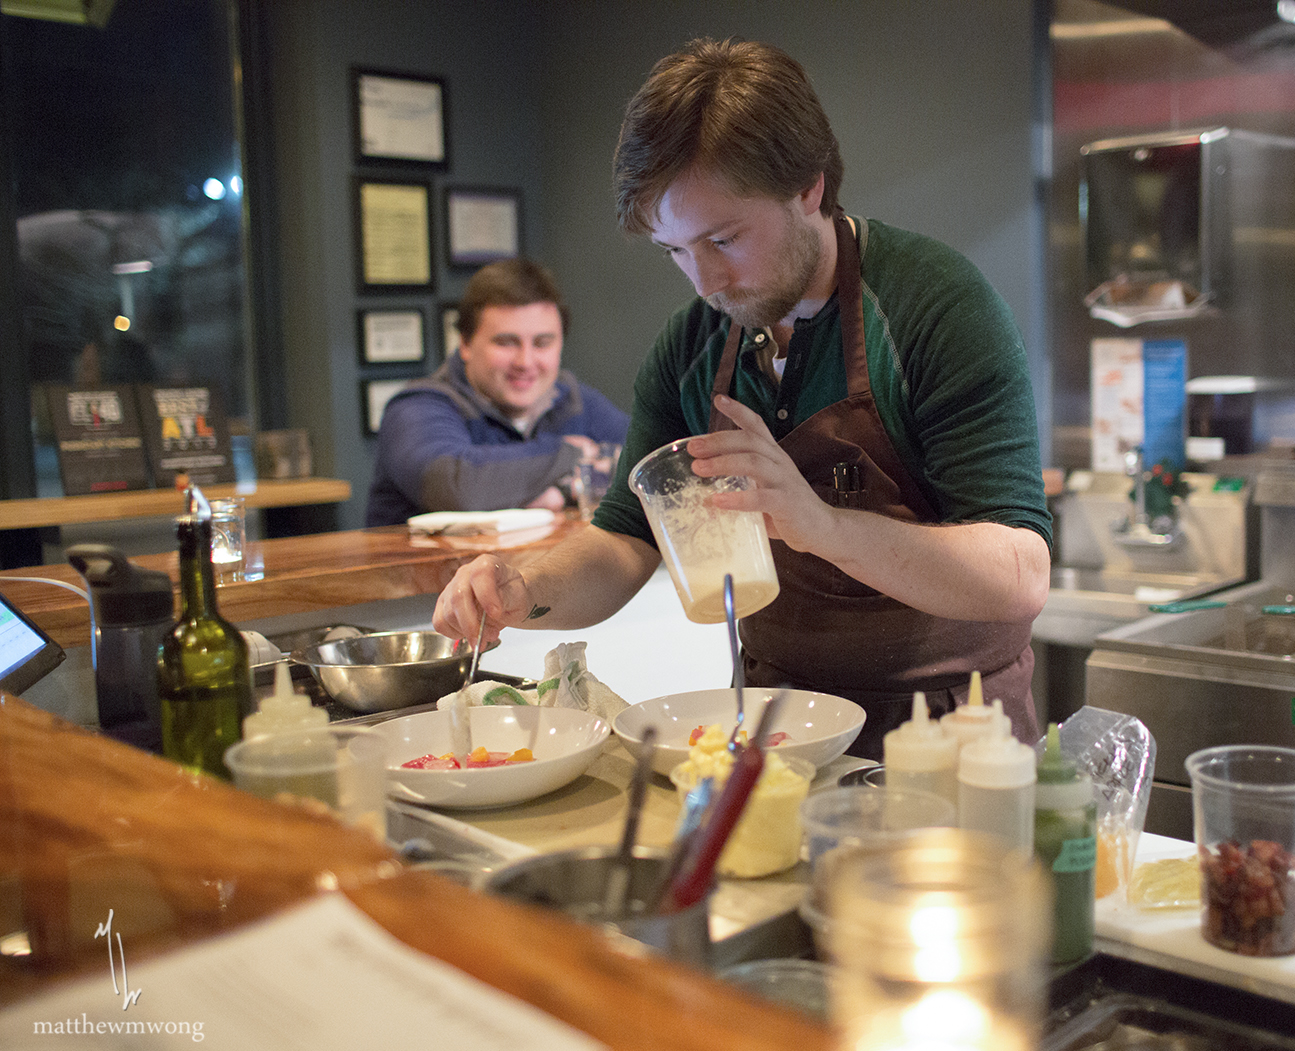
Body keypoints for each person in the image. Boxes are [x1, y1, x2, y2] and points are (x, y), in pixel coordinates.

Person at [433, 39, 1052, 757]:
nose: (703, 282)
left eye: (723, 239)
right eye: (675, 250)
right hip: (774, 731)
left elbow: (1020, 575)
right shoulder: (693, 344)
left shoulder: (935, 308)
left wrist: (820, 523)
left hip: (954, 741)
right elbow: (623, 541)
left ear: (810, 187)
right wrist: (522, 587)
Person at [364, 258, 630, 527]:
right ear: (465, 343)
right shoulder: (417, 407)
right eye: (506, 342)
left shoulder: (575, 400)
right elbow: (456, 486)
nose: (525, 362)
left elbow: (645, 463)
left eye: (542, 343)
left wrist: (554, 490)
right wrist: (569, 454)